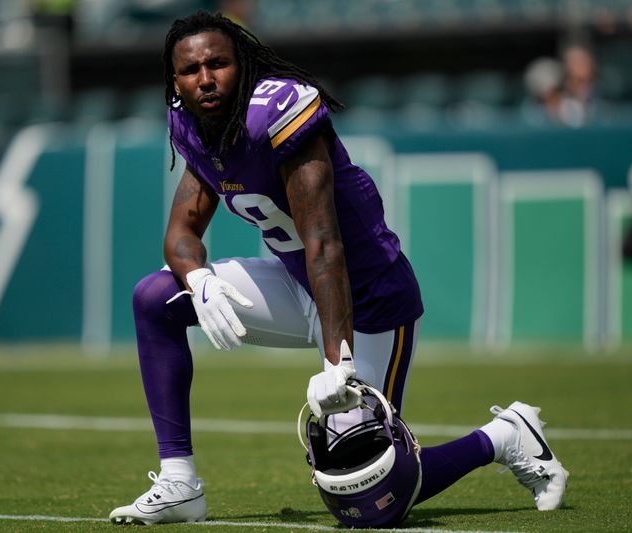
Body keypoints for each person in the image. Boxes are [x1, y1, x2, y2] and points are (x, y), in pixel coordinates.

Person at [109, 11, 569, 526]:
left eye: (218, 63)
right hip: (297, 282)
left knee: (372, 500)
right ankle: (179, 483)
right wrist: (200, 280)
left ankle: (504, 437)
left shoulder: (277, 111)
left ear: (243, 65)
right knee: (156, 298)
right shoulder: (191, 121)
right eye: (191, 70)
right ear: (175, 80)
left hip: (368, 299)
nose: (206, 78)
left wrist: (338, 364)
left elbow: (324, 242)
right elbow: (181, 232)